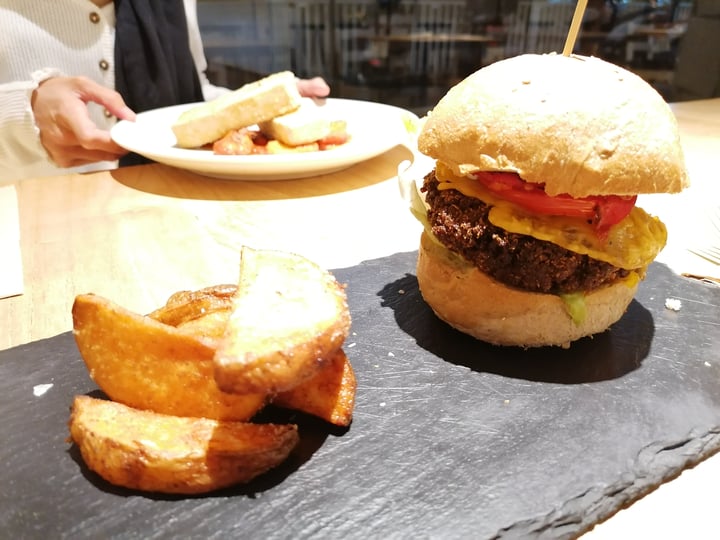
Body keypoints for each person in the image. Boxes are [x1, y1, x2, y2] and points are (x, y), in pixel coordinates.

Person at [0, 0, 330, 182]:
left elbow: (193, 95)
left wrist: (256, 104)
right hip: (34, 233)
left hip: (178, 210)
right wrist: (21, 115)